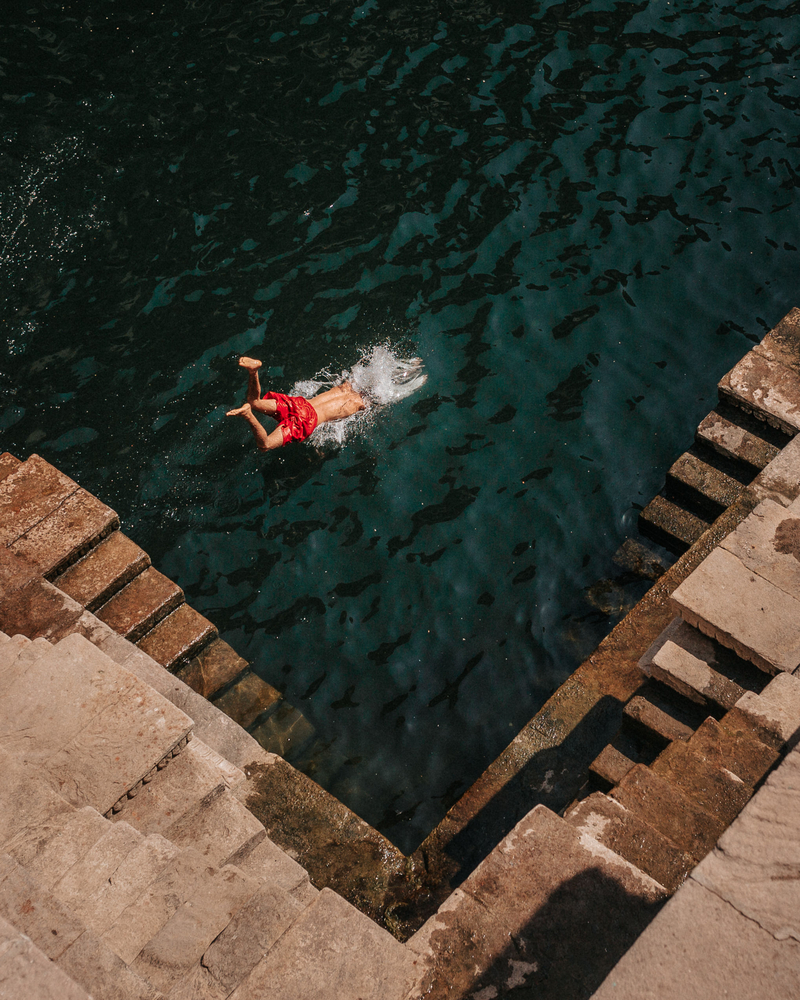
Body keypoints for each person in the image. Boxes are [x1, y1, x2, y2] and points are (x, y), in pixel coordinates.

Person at [226, 357, 367, 451]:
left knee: (254, 402)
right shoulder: (361, 403)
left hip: (301, 404)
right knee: (265, 445)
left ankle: (253, 370)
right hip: (307, 420)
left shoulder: (347, 385)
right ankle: (248, 414)